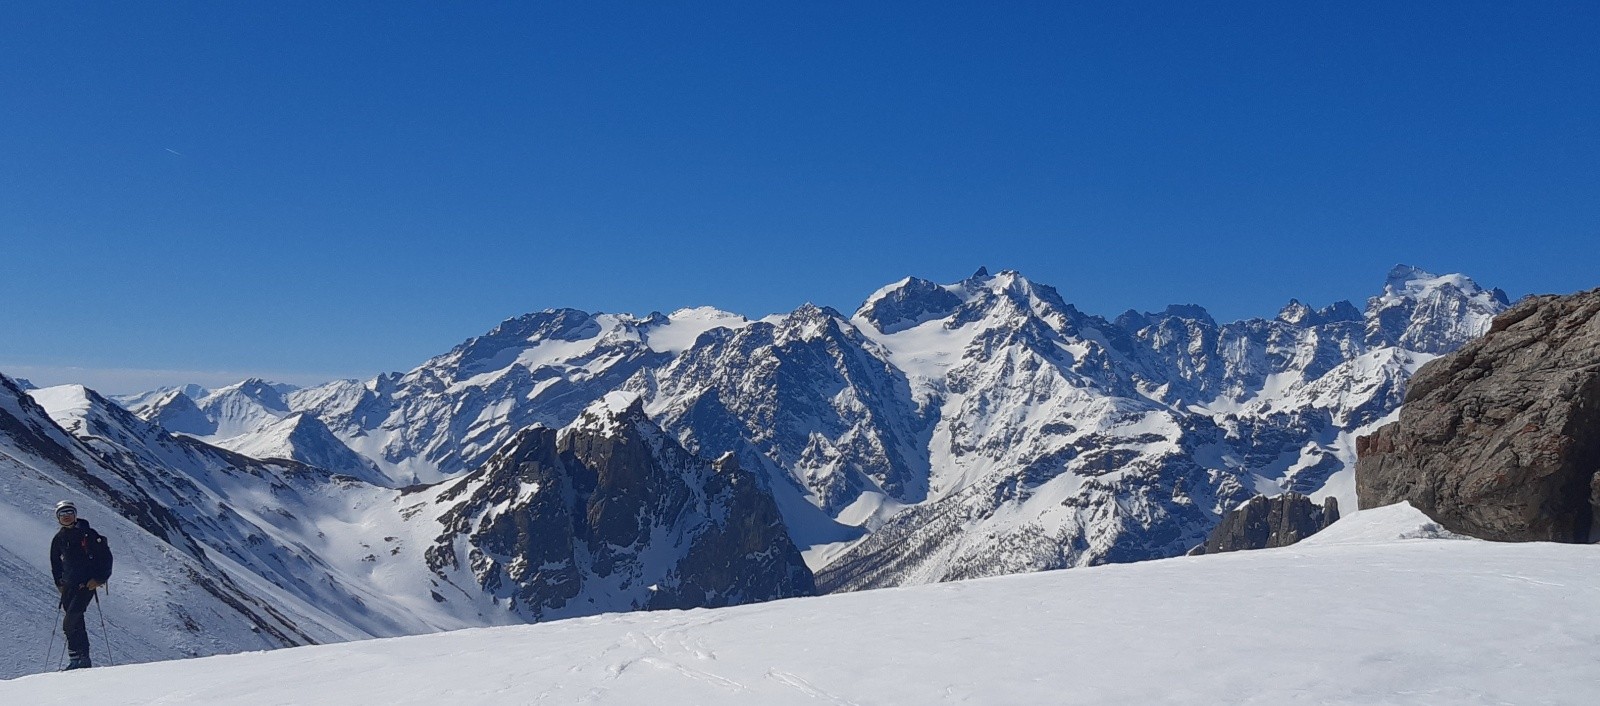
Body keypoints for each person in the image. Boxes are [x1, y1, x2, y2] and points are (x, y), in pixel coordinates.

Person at [50, 500, 113, 671]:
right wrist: (59, 582)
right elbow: (55, 563)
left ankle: (81, 659)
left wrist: (99, 579)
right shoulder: (59, 538)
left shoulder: (88, 534)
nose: (66, 516)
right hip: (68, 586)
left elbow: (106, 558)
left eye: (69, 512)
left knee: (70, 622)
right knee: (76, 622)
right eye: (63, 514)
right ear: (58, 517)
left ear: (75, 514)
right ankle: (78, 659)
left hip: (86, 585)